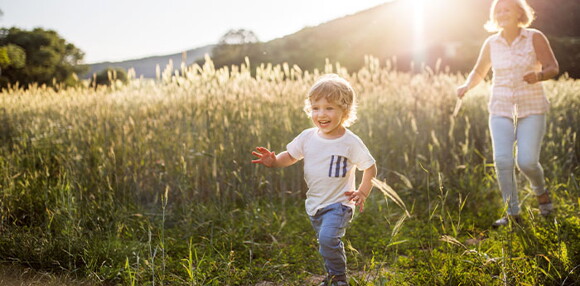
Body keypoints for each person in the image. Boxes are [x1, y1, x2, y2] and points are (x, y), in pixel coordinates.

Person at [252, 74, 377, 285]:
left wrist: (362, 192)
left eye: (329, 108)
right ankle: (331, 275)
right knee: (325, 243)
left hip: (340, 203)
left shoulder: (350, 142)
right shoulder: (307, 137)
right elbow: (290, 156)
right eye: (315, 108)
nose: (321, 114)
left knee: (328, 239)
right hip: (315, 204)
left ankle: (339, 279)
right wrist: (274, 161)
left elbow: (370, 167)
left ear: (345, 111)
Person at [456, 0, 559, 227]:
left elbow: (553, 67)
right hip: (500, 109)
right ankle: (513, 215)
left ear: (518, 13)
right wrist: (466, 86)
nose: (502, 13)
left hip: (532, 108)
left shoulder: (534, 37)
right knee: (502, 161)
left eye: (507, 9)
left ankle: (541, 193)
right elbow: (478, 71)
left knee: (527, 162)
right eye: (498, 10)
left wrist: (539, 76)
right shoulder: (491, 43)